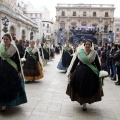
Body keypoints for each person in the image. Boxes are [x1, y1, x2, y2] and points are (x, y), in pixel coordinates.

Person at [66, 39, 103, 111]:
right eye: (86, 44)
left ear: (91, 46)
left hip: (91, 74)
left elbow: (97, 64)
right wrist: (71, 71)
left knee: (89, 88)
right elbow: (75, 62)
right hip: (80, 73)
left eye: (89, 44)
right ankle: (83, 102)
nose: (87, 45)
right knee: (80, 87)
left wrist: (100, 72)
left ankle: (86, 101)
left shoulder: (94, 53)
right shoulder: (80, 53)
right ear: (84, 45)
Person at [0, 33, 27, 112]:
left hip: (11, 70)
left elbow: (17, 60)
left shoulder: (14, 48)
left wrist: (19, 70)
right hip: (1, 68)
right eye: (4, 39)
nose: (5, 41)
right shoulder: (1, 47)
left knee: (7, 87)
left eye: (7, 39)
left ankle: (5, 104)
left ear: (10, 40)